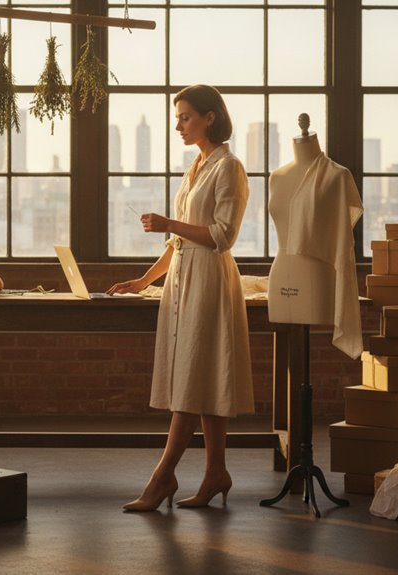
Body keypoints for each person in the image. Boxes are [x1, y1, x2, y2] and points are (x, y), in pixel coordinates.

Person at [107, 84, 254, 511]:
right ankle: (215, 473)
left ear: (210, 117)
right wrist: (142, 281)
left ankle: (162, 477)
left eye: (186, 117)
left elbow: (222, 236)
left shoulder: (229, 167)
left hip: (209, 279)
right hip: (184, 279)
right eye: (178, 118)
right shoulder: (196, 166)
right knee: (201, 376)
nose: (178, 126)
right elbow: (177, 243)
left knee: (192, 378)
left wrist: (170, 222)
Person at [267, 114, 363, 358]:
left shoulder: (336, 176)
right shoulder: (276, 177)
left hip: (315, 276)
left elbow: (340, 236)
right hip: (280, 276)